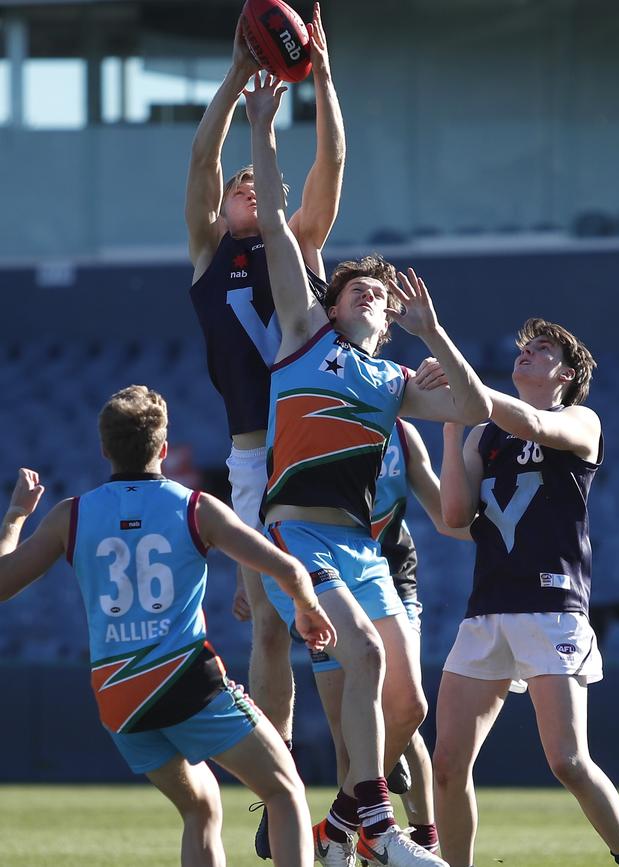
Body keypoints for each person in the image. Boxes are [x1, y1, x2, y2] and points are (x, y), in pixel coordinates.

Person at [244, 70, 491, 867]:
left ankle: (348, 824)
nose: (369, 295)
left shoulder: (391, 384)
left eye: (380, 294)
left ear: (390, 316)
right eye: (356, 287)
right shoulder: (303, 334)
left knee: (408, 701)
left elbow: (475, 410)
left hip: (359, 545)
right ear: (332, 300)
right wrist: (262, 126)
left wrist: (436, 331)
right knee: (367, 654)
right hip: (299, 534)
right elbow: (280, 223)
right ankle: (378, 826)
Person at [0, 385, 336, 867]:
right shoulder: (193, 506)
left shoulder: (69, 516)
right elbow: (287, 568)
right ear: (163, 448)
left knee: (200, 807)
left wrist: (14, 517)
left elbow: (3, 586)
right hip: (184, 680)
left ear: (104, 450)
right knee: (285, 792)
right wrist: (307, 607)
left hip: (117, 696)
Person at [185, 9, 344, 852]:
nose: (246, 186)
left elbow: (329, 166)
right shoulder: (210, 253)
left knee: (347, 620)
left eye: (257, 182)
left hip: (318, 443)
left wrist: (319, 82)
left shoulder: (301, 245)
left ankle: (362, 782)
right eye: (240, 186)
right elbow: (204, 160)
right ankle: (281, 783)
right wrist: (235, 77)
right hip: (254, 455)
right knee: (271, 623)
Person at [432, 319, 619, 867]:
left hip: (552, 608)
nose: (527, 353)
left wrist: (453, 366)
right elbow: (454, 516)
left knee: (568, 762)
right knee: (448, 765)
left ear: (567, 374)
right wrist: (455, 427)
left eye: (542, 350)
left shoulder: (581, 419)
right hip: (486, 609)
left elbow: (530, 422)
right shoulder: (484, 432)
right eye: (524, 348)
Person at [315, 416, 472, 859]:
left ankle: (407, 837)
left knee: (404, 714)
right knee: (351, 736)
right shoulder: (311, 416)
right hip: (326, 578)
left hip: (392, 580)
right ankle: (365, 839)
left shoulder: (401, 432)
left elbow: (447, 515)